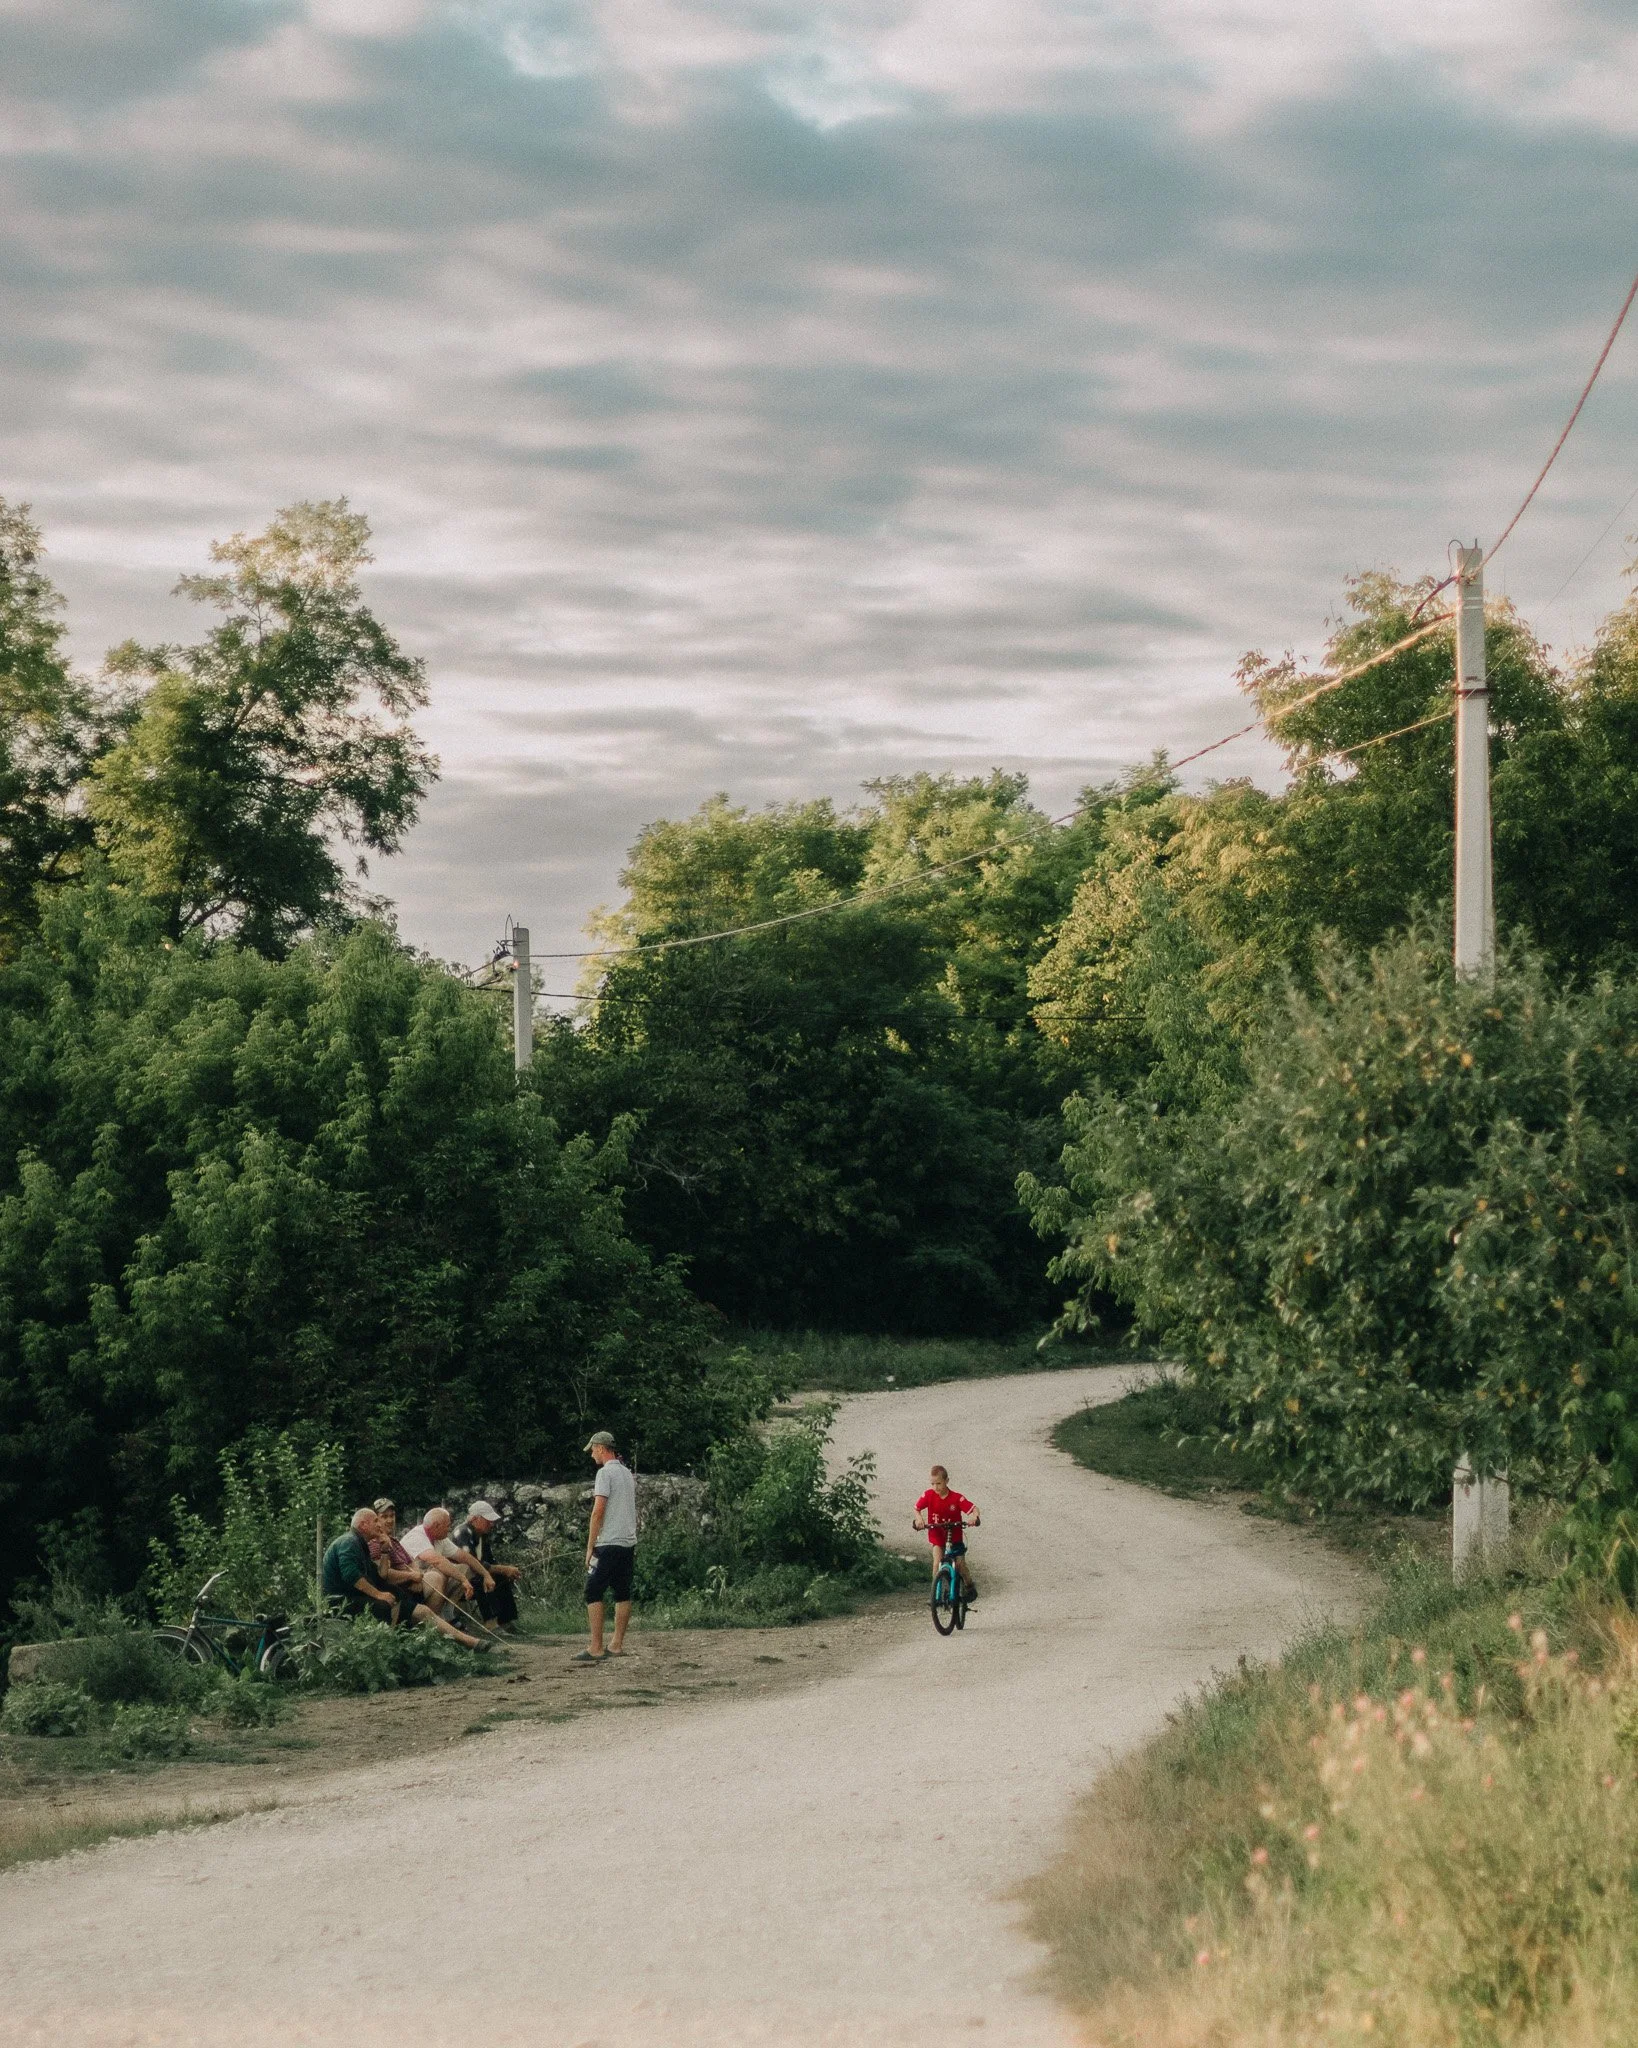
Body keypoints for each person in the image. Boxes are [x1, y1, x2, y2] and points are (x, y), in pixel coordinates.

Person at [323, 1507, 483, 1645]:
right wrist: (379, 1594)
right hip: (342, 1600)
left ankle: (468, 1642)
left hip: (357, 1595)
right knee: (385, 1603)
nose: (379, 1525)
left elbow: (381, 1575)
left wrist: (385, 1550)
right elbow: (351, 1576)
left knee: (409, 1602)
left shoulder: (360, 1543)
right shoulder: (349, 1542)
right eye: (376, 1521)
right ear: (363, 1525)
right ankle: (392, 1645)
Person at [575, 1430, 636, 1663]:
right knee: (622, 1590)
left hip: (609, 1542)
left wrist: (590, 1546)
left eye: (592, 1450)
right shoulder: (627, 1473)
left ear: (601, 1448)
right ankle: (617, 1644)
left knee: (593, 1590)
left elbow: (598, 1511)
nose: (592, 1455)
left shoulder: (604, 1474)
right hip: (627, 1541)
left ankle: (596, 1647)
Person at [401, 1505, 494, 1620]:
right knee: (439, 1574)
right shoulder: (417, 1536)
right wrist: (463, 1580)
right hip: (409, 1585)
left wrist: (486, 1574)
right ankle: (432, 1623)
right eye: (448, 1526)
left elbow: (464, 1556)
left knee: (465, 1568)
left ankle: (448, 1612)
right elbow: (438, 1561)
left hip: (425, 1580)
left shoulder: (440, 1537)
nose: (449, 1529)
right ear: (436, 1526)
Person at [451, 1501, 521, 1631]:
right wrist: (503, 1569)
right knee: (481, 1579)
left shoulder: (482, 1536)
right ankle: (490, 1622)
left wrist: (505, 1571)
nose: (492, 1524)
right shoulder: (463, 1532)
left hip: (473, 1574)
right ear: (475, 1519)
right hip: (459, 1579)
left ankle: (506, 1620)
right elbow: (471, 1562)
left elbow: (489, 1561)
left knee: (501, 1577)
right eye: (488, 1520)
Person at [912, 1466, 979, 1601]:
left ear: (946, 1481)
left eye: (939, 1483)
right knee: (937, 1563)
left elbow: (974, 1509)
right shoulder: (929, 1495)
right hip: (937, 1535)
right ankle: (935, 1595)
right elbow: (916, 1508)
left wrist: (974, 1518)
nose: (935, 1487)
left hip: (954, 1536)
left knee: (960, 1564)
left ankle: (969, 1586)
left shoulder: (956, 1498)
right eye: (932, 1484)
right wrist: (919, 1519)